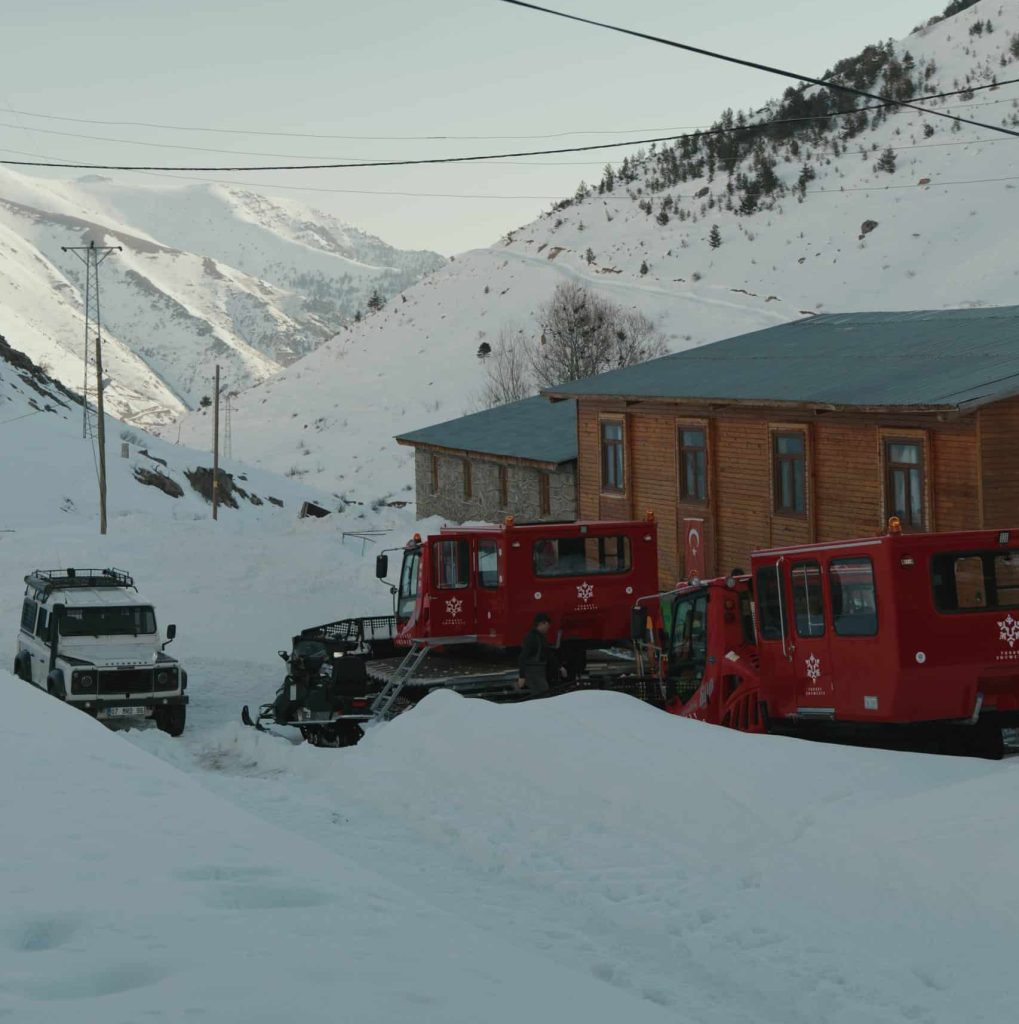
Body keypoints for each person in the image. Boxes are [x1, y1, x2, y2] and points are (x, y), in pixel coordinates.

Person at [517, 612, 565, 697]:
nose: (548, 627)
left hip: (540, 671)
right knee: (543, 695)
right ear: (541, 623)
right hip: (533, 672)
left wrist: (559, 667)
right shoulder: (531, 638)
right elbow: (522, 657)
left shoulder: (541, 637)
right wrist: (522, 676)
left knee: (542, 694)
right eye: (547, 624)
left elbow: (549, 654)